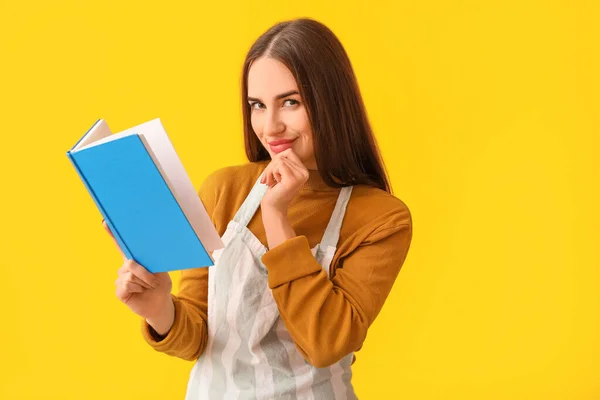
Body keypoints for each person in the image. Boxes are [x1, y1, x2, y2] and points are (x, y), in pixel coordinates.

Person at [103, 17, 412, 399]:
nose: (270, 127)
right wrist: (158, 308)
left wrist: (277, 217)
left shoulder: (381, 219)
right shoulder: (223, 190)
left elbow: (325, 343)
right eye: (257, 105)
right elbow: (199, 339)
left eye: (291, 102)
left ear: (331, 103)